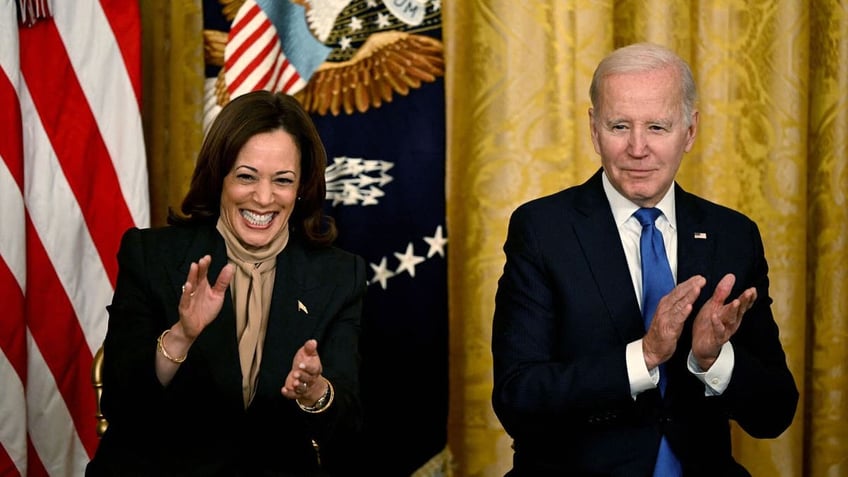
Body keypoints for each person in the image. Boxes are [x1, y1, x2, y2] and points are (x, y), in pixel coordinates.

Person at [491, 42, 798, 476]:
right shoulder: (543, 231)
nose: (638, 148)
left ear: (689, 131)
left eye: (657, 126)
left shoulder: (734, 235)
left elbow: (775, 414)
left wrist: (713, 359)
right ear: (594, 128)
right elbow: (517, 399)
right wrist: (644, 356)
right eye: (619, 126)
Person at [87, 90, 367, 476]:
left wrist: (314, 392)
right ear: (219, 174)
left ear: (302, 187)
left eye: (282, 180)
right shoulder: (152, 256)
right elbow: (121, 403)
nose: (264, 197)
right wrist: (180, 337)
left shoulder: (338, 275)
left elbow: (348, 426)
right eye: (246, 177)